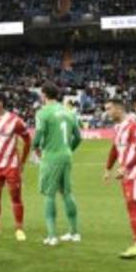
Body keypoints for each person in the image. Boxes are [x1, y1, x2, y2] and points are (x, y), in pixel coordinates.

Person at [32, 82, 82, 246]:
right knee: (67, 192)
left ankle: (52, 236)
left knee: (49, 194)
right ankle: (74, 233)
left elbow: (38, 135)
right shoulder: (69, 112)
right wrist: (68, 150)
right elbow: (78, 137)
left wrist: (35, 148)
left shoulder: (43, 112)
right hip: (66, 156)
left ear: (44, 94)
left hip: (52, 157)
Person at [103, 97, 136, 259]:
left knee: (133, 205)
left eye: (109, 109)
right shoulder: (118, 128)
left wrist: (126, 167)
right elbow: (115, 149)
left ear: (119, 108)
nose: (107, 112)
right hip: (129, 173)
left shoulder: (134, 126)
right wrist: (108, 168)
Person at [0, 92, 31, 241]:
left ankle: (19, 229)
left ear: (0, 102)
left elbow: (28, 140)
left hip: (11, 166)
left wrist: (22, 162)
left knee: (16, 197)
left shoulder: (14, 121)